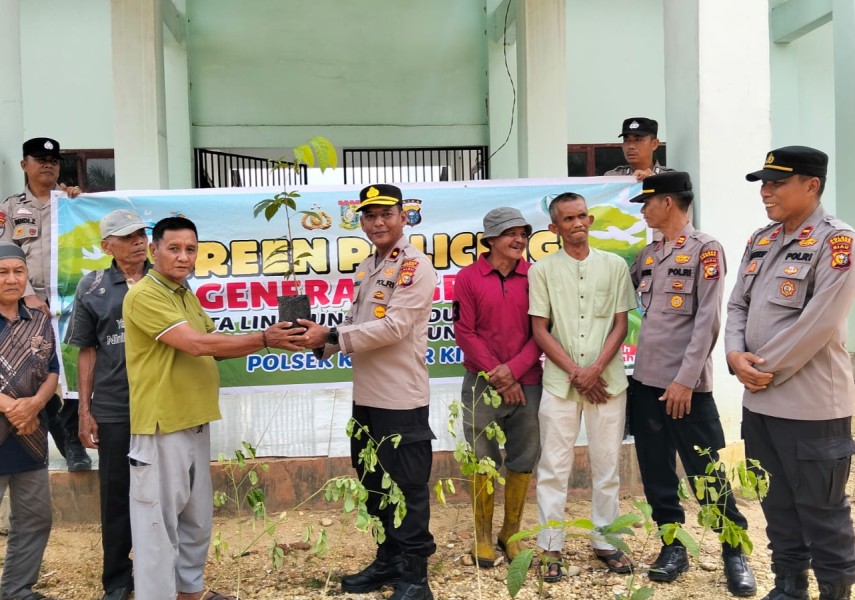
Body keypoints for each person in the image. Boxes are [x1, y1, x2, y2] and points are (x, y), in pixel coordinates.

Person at [122, 216, 305, 600]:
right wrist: (264, 338)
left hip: (195, 420)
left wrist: (270, 337)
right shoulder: (145, 294)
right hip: (162, 425)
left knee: (196, 520)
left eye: (191, 249)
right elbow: (197, 344)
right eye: (174, 248)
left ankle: (190, 593)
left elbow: (212, 339)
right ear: (153, 250)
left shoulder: (184, 293)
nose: (184, 257)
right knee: (158, 526)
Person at [725, 146, 855, 600]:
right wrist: (734, 355)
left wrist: (761, 368)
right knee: (776, 505)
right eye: (764, 183)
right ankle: (788, 587)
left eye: (777, 183)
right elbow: (737, 303)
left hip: (811, 407)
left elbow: (818, 321)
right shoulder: (761, 240)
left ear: (812, 185)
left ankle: (835, 592)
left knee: (822, 511)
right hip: (759, 402)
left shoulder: (837, 242)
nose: (766, 192)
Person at [298, 184, 437, 600]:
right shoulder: (368, 267)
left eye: (386, 215)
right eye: (370, 216)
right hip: (368, 398)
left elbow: (394, 328)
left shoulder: (414, 266)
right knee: (374, 481)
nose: (378, 223)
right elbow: (355, 324)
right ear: (361, 221)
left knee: (407, 487)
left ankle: (415, 577)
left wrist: (333, 336)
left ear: (403, 217)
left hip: (400, 399)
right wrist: (318, 341)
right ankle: (388, 559)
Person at [628, 172, 756, 595]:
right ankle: (672, 545)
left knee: (707, 470)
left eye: (647, 203)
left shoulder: (706, 249)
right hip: (646, 381)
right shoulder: (648, 254)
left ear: (668, 203)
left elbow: (708, 321)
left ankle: (734, 550)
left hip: (686, 387)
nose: (643, 211)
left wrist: (685, 380)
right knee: (656, 470)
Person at [528, 193, 637, 581]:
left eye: (581, 216)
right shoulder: (541, 270)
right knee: (553, 466)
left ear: (590, 220)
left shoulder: (613, 266)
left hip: (607, 382)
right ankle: (550, 545)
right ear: (553, 228)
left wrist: (595, 371)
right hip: (560, 383)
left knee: (607, 465)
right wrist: (578, 372)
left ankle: (605, 541)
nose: (576, 224)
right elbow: (540, 330)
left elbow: (620, 324)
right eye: (567, 219)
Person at [63, 209, 151, 600]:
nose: (137, 242)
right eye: (127, 236)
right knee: (116, 496)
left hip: (162, 406)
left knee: (163, 495)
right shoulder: (93, 286)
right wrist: (85, 409)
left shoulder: (166, 279)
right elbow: (86, 350)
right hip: (115, 407)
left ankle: (158, 573)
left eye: (141, 234)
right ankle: (117, 579)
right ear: (106, 247)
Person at [452, 207, 543, 567]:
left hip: (528, 384)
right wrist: (499, 375)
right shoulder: (468, 277)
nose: (518, 239)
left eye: (523, 233)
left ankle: (511, 533)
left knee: (524, 457)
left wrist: (515, 372)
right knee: (481, 458)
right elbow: (465, 332)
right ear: (489, 239)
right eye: (510, 233)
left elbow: (542, 330)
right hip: (481, 383)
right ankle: (482, 537)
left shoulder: (535, 276)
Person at [0, 136, 90, 472]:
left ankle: (72, 441)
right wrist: (25, 295)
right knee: (37, 373)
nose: (48, 165)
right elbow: (5, 256)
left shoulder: (70, 202)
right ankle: (52, 433)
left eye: (53, 160)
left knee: (69, 365)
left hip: (71, 301)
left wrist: (80, 203)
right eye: (39, 159)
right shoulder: (10, 209)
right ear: (25, 165)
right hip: (26, 304)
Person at [0, 242, 60, 600]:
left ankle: (18, 590)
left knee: (35, 519)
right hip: (13, 424)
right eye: (3, 272)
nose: (11, 279)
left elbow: (53, 371)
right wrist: (13, 408)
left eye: (18, 271)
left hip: (30, 436)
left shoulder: (39, 319)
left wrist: (35, 404)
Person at [604, 117, 672, 180]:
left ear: (654, 144)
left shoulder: (670, 178)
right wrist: (631, 181)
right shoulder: (613, 177)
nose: (631, 146)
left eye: (638, 140)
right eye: (626, 140)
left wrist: (654, 181)